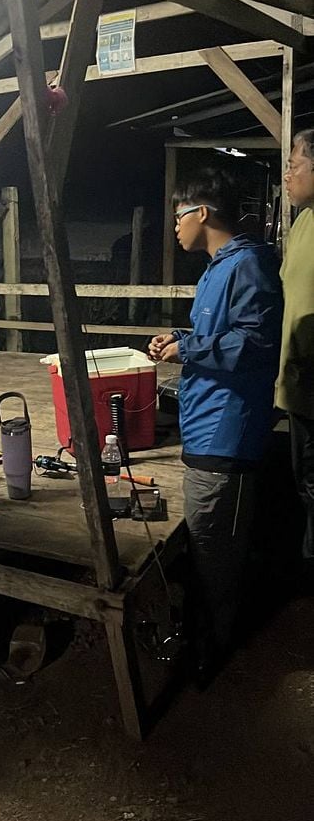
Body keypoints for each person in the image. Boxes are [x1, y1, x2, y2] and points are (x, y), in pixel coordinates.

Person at [148, 168, 283, 683]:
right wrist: (181, 339)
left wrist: (191, 347)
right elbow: (220, 334)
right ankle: (205, 634)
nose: (175, 227)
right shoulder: (217, 268)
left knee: (215, 550)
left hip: (227, 432)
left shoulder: (246, 265)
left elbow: (256, 343)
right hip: (206, 423)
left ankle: (211, 651)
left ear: (201, 213)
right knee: (207, 542)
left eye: (178, 216)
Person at [276, 129, 314, 591]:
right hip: (298, 388)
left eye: (294, 165)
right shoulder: (303, 220)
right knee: (305, 482)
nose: (287, 174)